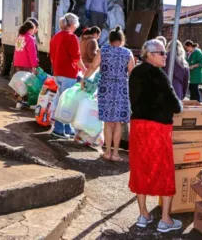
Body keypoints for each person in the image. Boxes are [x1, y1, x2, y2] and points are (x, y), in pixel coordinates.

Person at [128, 39, 183, 233]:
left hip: (137, 126)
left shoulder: (135, 72)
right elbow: (175, 105)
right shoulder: (159, 75)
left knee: (140, 168)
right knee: (164, 171)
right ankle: (165, 220)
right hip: (157, 129)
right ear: (149, 54)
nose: (165, 56)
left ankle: (143, 214)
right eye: (161, 53)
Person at [82, 26, 134, 161]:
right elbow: (132, 74)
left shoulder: (103, 50)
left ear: (110, 40)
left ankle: (107, 152)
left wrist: (85, 79)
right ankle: (116, 154)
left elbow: (93, 67)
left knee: (107, 122)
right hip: (122, 90)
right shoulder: (128, 53)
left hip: (106, 88)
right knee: (117, 123)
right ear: (122, 40)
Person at [49, 13, 87, 139]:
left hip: (58, 72)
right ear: (73, 24)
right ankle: (59, 129)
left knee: (62, 100)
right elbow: (76, 58)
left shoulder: (56, 37)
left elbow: (52, 56)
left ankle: (67, 128)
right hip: (68, 73)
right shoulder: (72, 37)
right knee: (66, 103)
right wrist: (85, 71)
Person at [12, 20, 39, 109]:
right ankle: (31, 104)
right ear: (31, 28)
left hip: (18, 64)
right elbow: (32, 54)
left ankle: (19, 102)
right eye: (34, 28)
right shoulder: (30, 39)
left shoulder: (19, 37)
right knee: (29, 84)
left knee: (20, 84)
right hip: (27, 64)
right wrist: (34, 66)